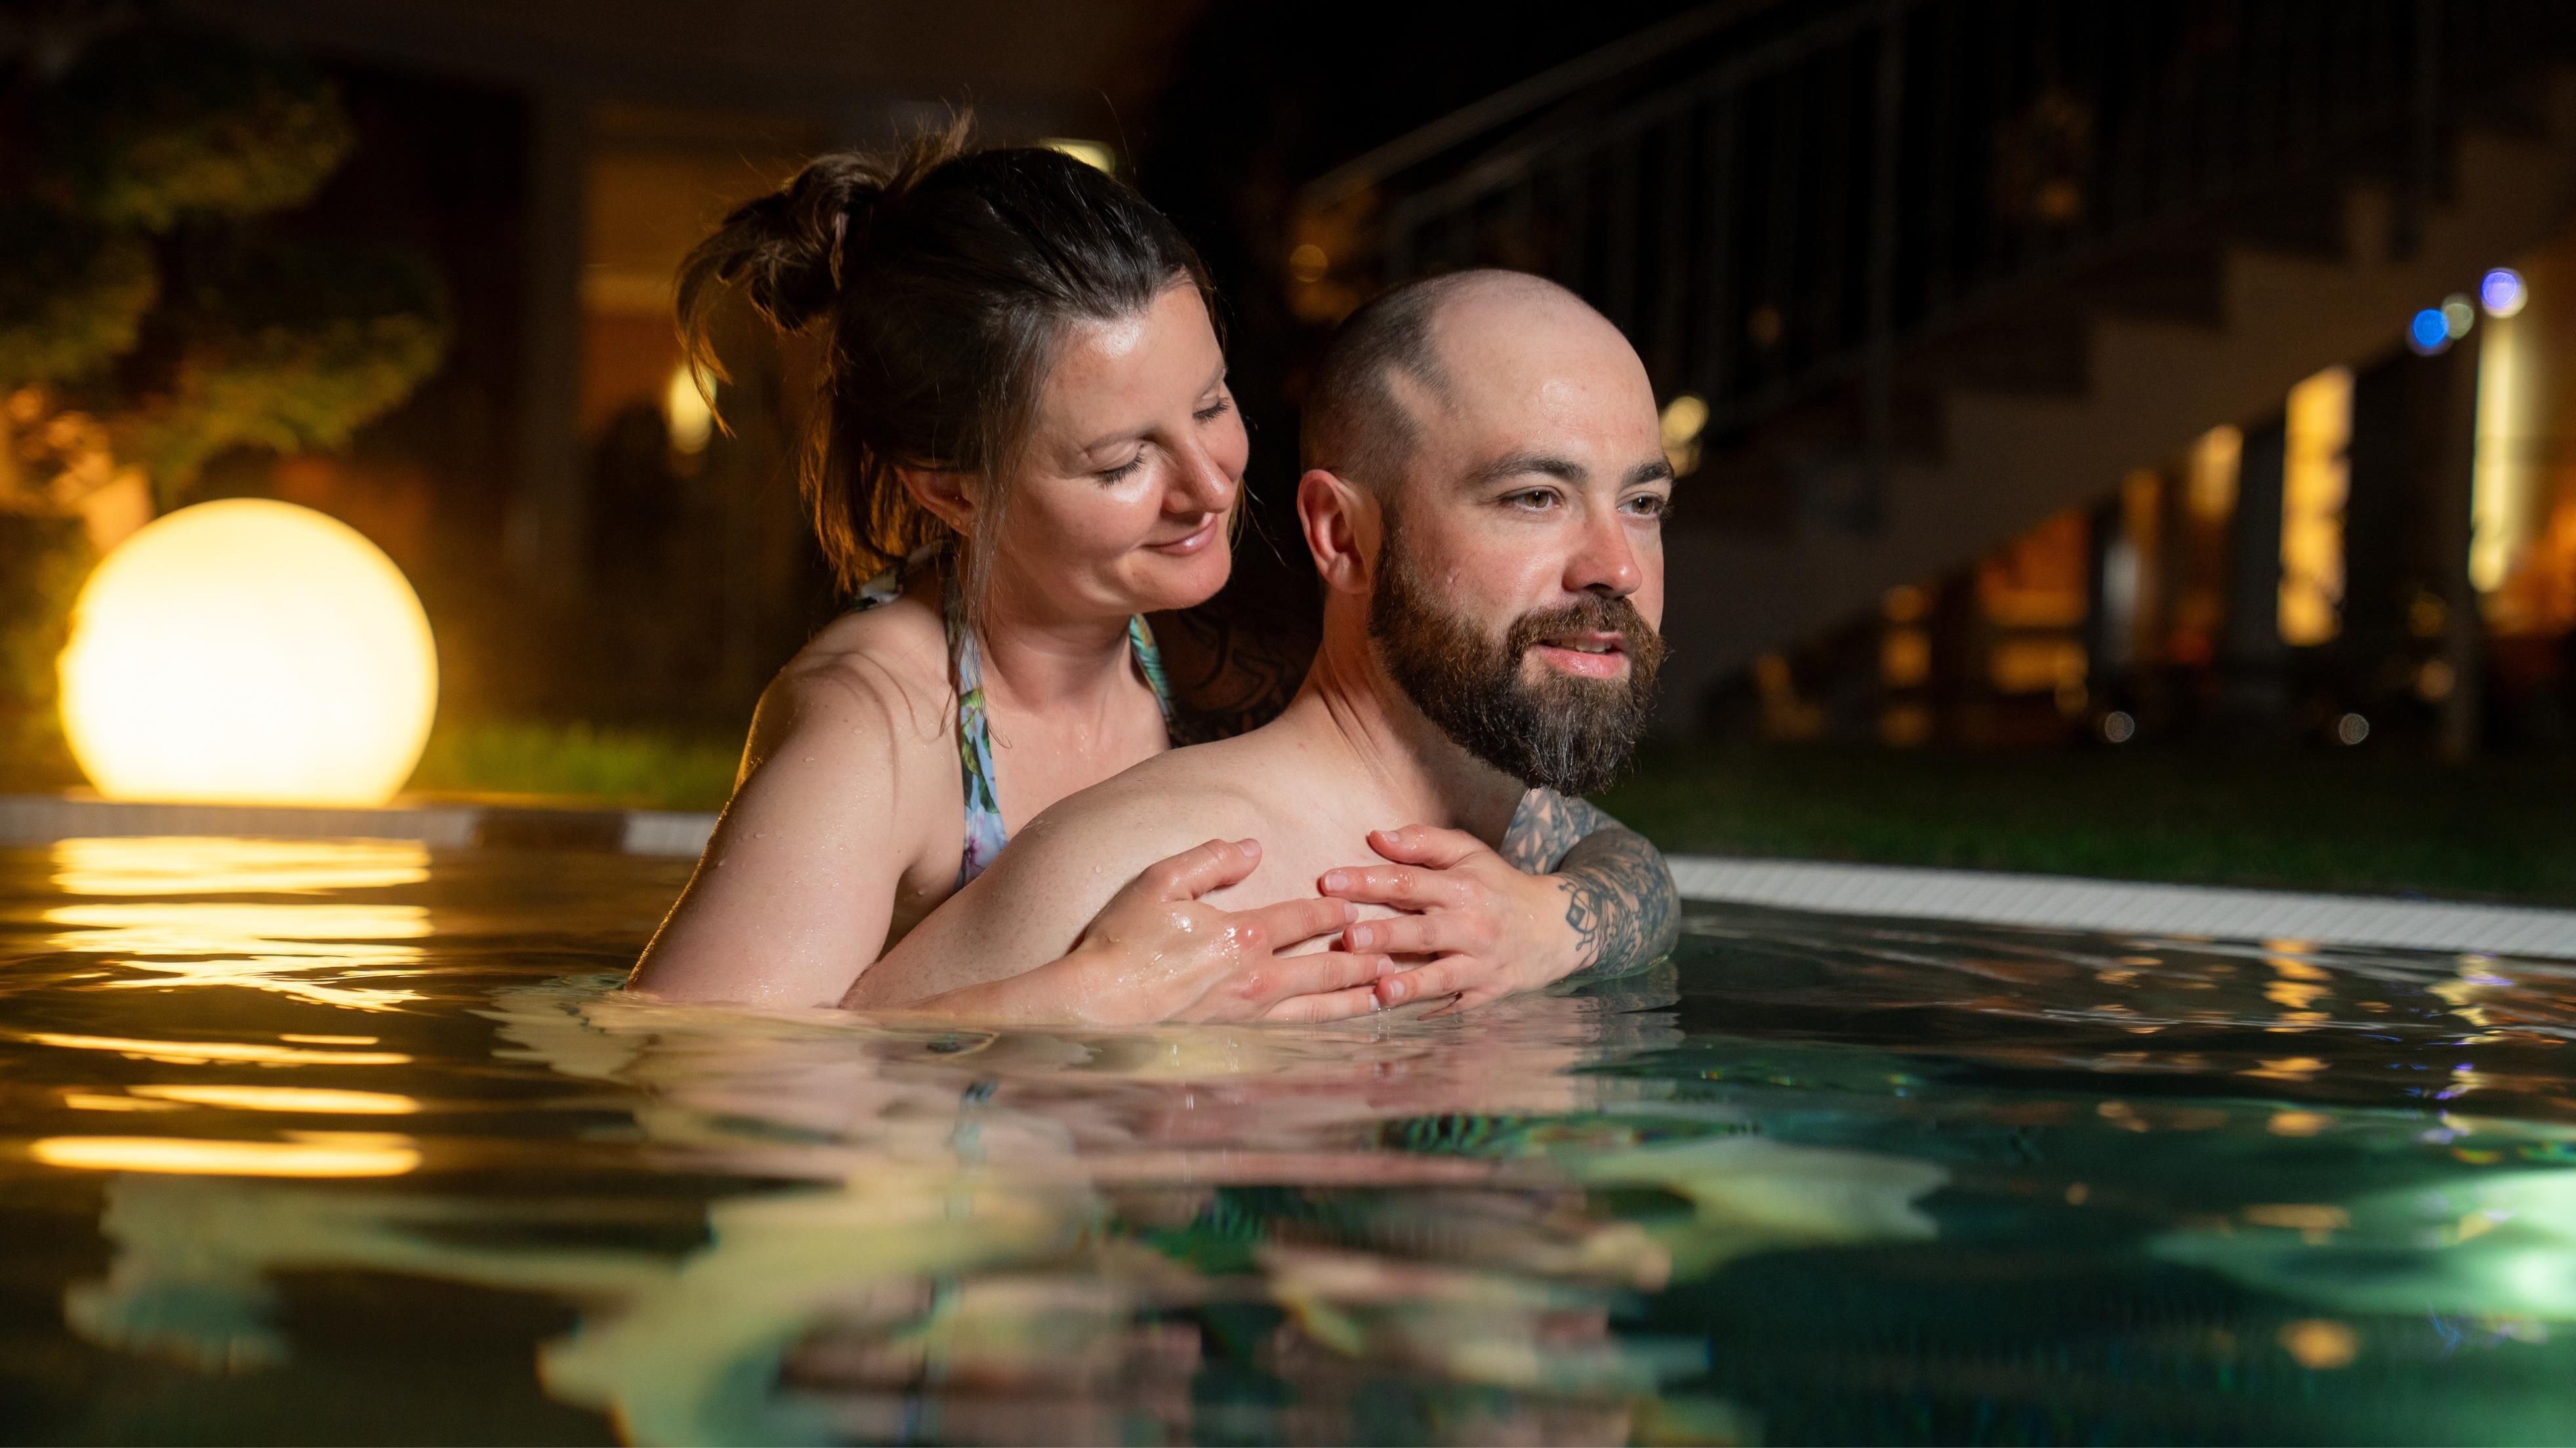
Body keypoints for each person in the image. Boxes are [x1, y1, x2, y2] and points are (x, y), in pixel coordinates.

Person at [625, 127, 1675, 1017]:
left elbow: (1602, 847)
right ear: (952, 490)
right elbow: (685, 1064)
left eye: (1213, 405)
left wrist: (1556, 924)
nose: (1207, 486)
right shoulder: (876, 728)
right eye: (1122, 461)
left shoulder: (1181, 647)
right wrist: (1076, 1003)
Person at [844, 269, 1677, 1020]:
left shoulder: (1523, 861)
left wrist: (1564, 929)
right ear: (1343, 536)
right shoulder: (1145, 871)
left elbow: (1638, 871)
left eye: (1642, 504)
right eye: (1535, 497)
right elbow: (793, 1110)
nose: (1618, 568)